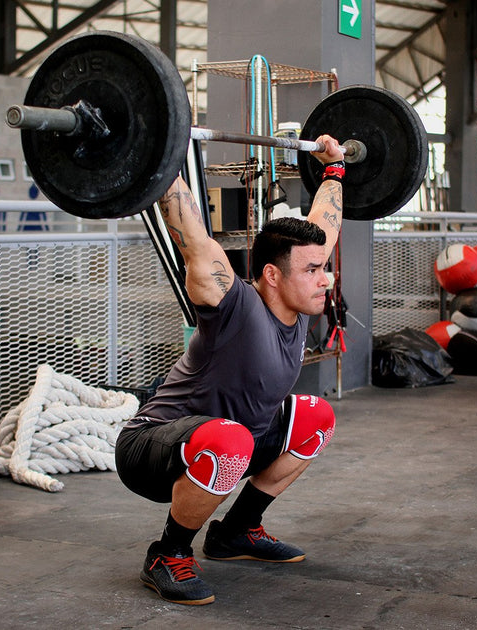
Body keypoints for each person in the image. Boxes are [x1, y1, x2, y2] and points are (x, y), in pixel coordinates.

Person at [115, 134, 345, 605]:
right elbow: (194, 238)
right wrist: (154, 145)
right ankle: (168, 552)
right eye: (313, 271)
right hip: (152, 445)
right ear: (272, 276)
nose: (326, 279)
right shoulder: (235, 305)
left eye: (325, 268)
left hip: (233, 441)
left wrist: (335, 169)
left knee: (314, 416)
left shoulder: (301, 301)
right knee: (230, 439)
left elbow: (324, 224)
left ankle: (236, 531)